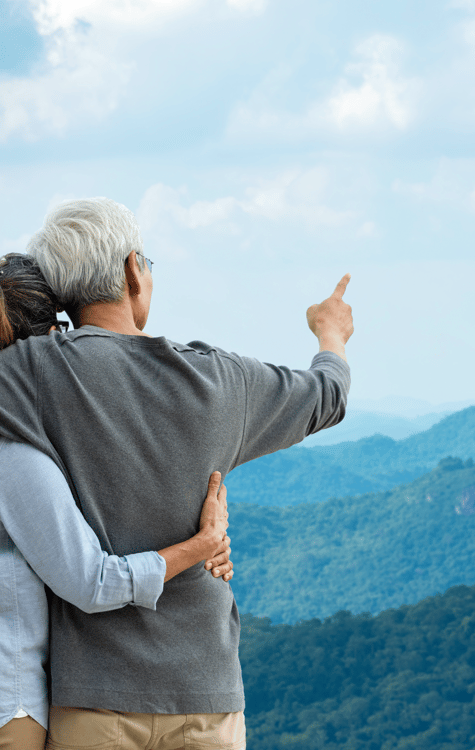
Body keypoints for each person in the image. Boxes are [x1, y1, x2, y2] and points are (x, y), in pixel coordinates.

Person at [0, 197, 353, 749]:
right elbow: (327, 397)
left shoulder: (28, 374)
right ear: (131, 271)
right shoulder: (223, 382)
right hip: (205, 696)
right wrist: (330, 335)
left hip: (93, 700)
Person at [0, 252, 235, 750]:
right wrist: (201, 544)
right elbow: (92, 579)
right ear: (45, 343)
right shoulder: (13, 453)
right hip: (12, 704)